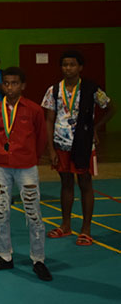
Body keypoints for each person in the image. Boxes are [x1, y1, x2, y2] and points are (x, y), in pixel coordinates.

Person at [0, 67, 51, 281]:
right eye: (6, 83)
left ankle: (38, 259)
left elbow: (41, 137)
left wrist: (32, 156)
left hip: (27, 167)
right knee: (0, 212)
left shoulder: (34, 110)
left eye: (14, 83)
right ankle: (4, 256)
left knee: (33, 213)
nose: (10, 87)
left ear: (22, 86)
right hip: (1, 166)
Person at [42, 50, 115, 245]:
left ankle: (86, 229)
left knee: (85, 184)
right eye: (65, 64)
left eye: (72, 64)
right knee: (66, 184)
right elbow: (49, 119)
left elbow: (110, 107)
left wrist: (95, 129)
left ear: (80, 67)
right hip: (61, 144)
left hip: (83, 144)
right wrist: (50, 148)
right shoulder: (54, 90)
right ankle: (66, 225)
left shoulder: (91, 89)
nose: (68, 68)